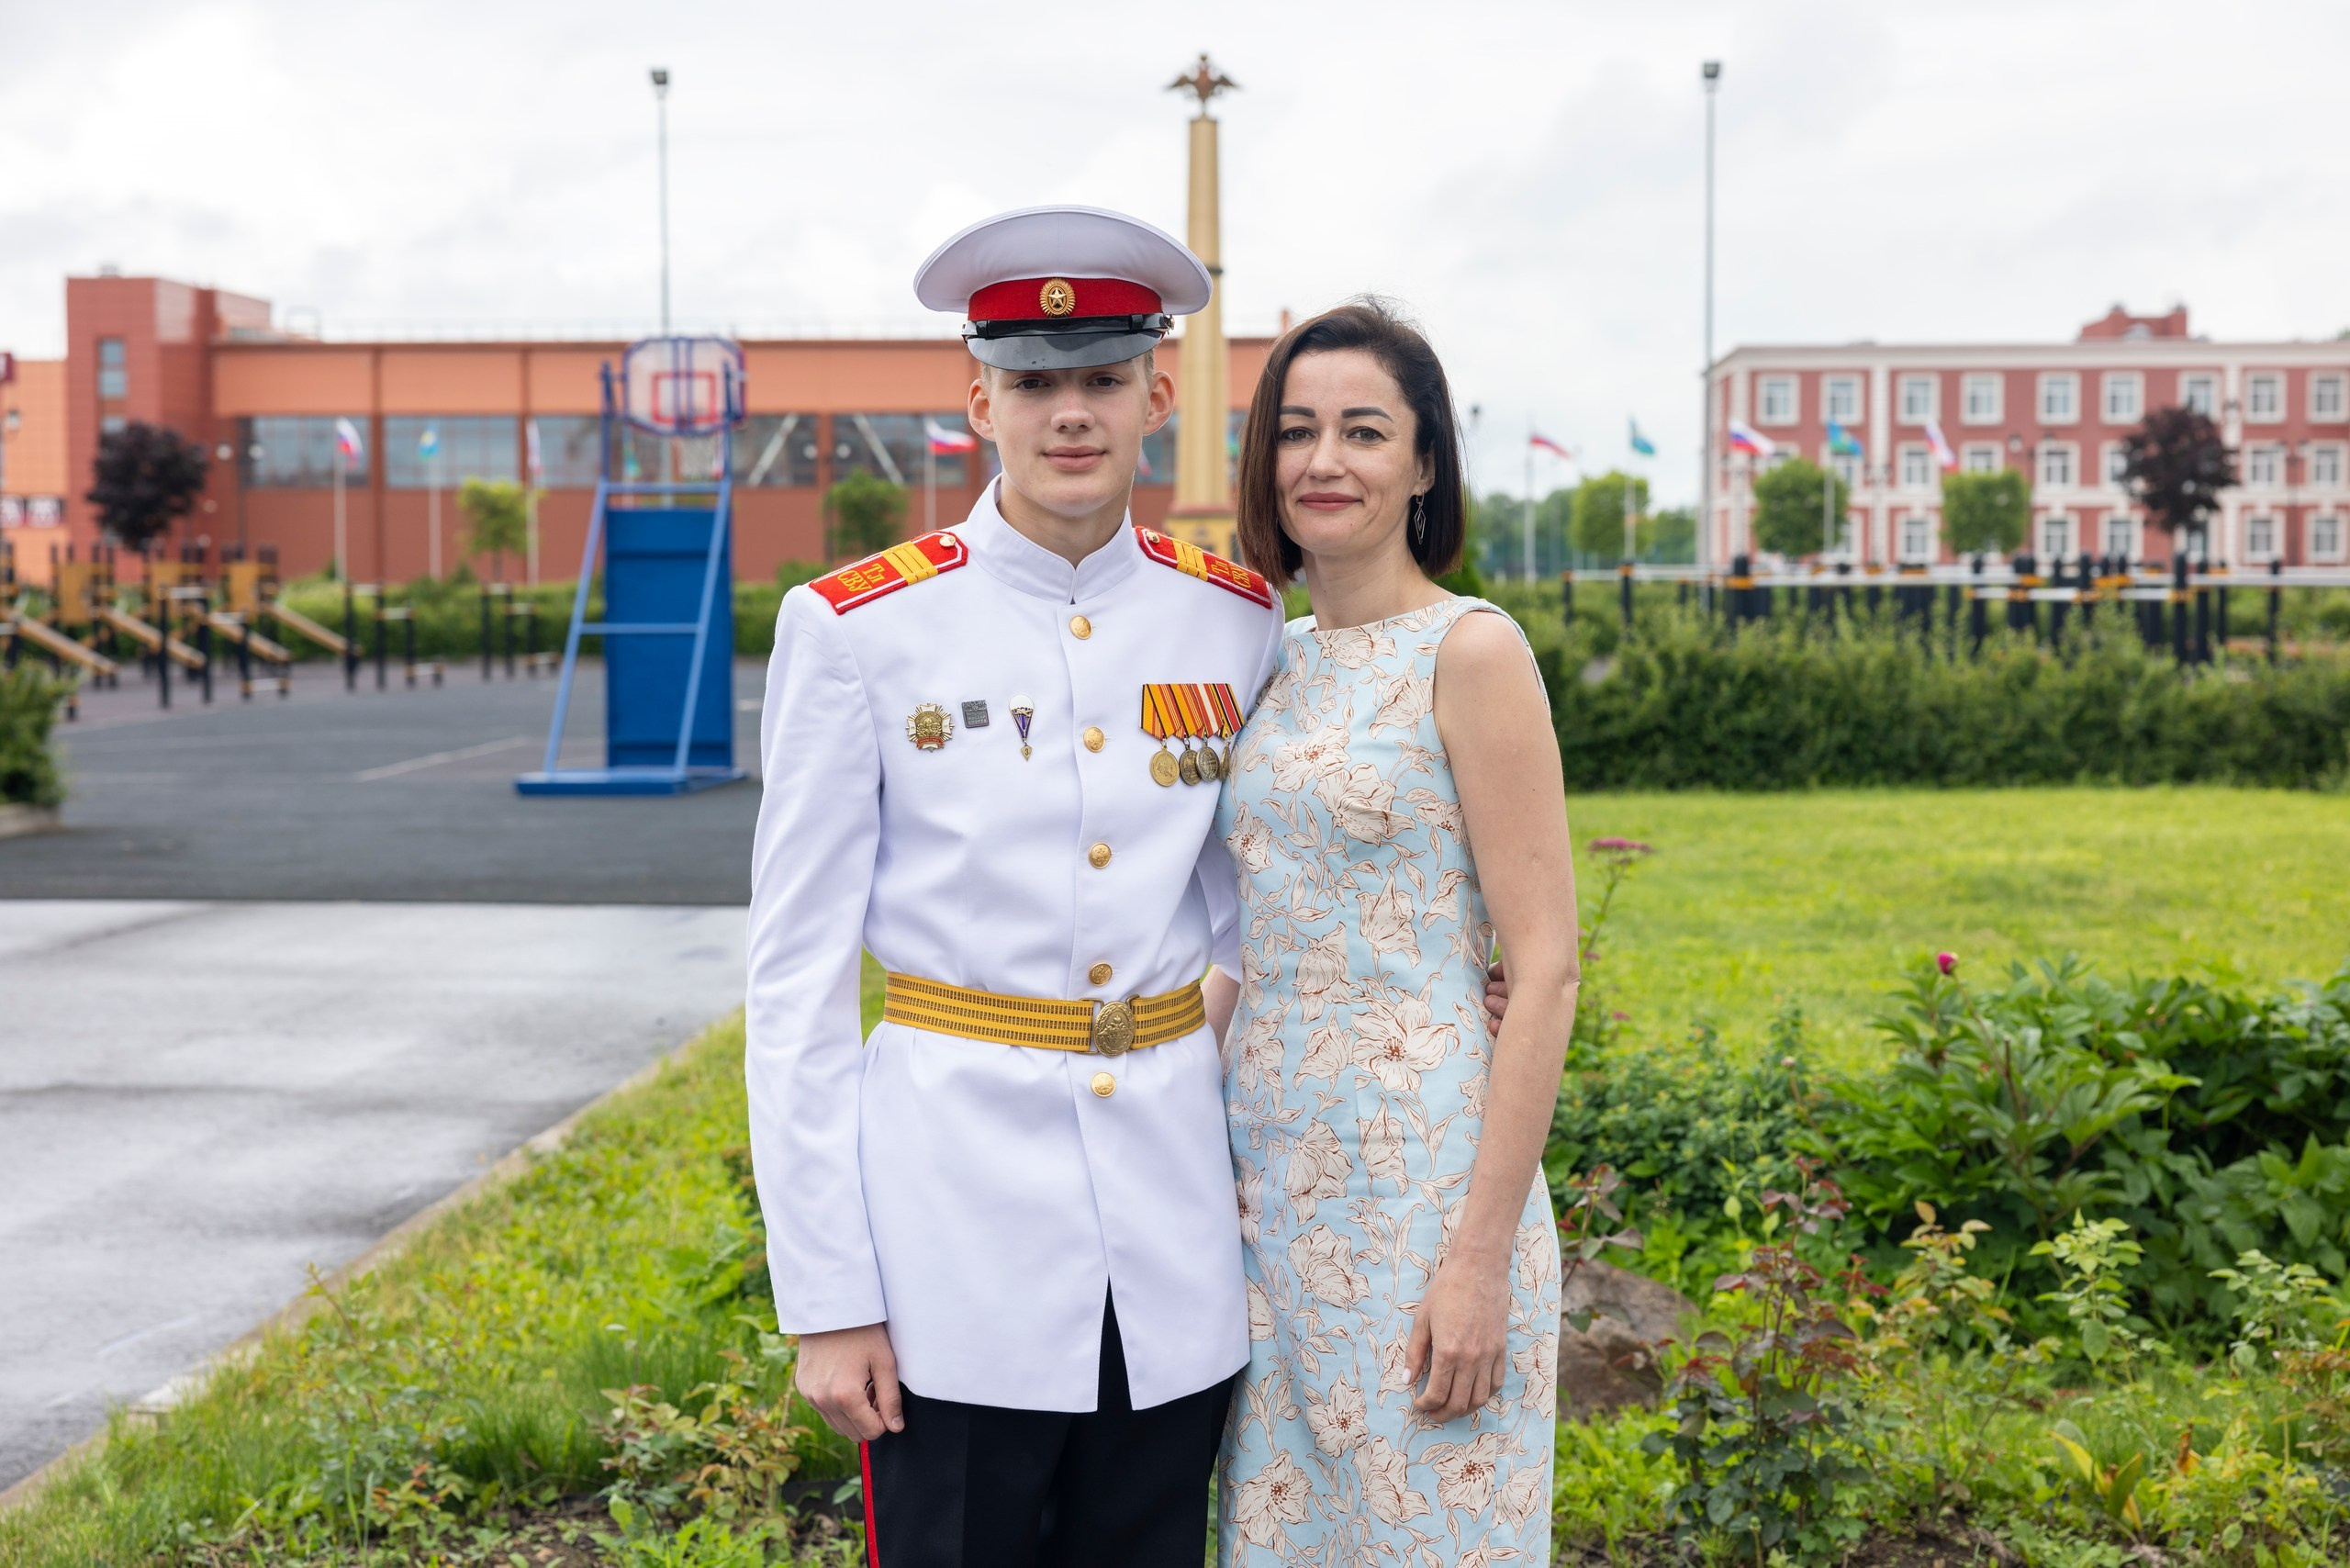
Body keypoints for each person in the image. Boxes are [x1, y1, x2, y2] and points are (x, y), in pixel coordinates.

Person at [744, 205, 1288, 1568]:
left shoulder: (1233, 619)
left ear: (1158, 394)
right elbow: (796, 986)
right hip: (953, 1247)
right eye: (1035, 383)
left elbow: (1262, 909)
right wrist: (828, 1296)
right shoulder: (860, 626)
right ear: (978, 400)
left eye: (1102, 377)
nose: (1071, 414)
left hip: (1167, 1242)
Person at [1212, 299, 1580, 1564]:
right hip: (1266, 1191)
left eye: (1364, 431)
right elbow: (1243, 930)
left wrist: (1479, 1262)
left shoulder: (1470, 652)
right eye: (1296, 431)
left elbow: (1546, 969)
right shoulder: (1265, 659)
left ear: (1424, 463)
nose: (1325, 460)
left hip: (1423, 1189)